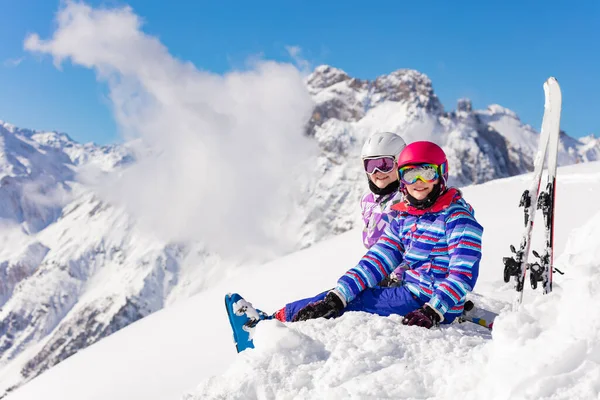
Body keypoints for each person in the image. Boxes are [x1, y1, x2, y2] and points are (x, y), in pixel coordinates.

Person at [269, 141, 484, 328]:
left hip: (428, 302)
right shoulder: (405, 217)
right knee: (337, 299)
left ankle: (277, 323)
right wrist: (339, 294)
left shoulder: (458, 219)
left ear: (440, 175)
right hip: (413, 295)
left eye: (426, 173)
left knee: (353, 304)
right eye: (410, 174)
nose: (418, 182)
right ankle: (276, 320)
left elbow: (462, 273)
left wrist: (433, 310)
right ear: (402, 180)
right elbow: (378, 259)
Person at [359, 131, 407, 249]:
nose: (378, 172)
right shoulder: (367, 200)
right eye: (370, 165)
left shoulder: (408, 197)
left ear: (400, 163)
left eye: (385, 165)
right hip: (377, 263)